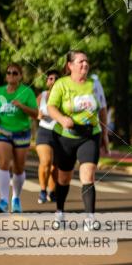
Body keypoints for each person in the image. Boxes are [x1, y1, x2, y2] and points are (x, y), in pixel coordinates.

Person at [46, 51, 109, 231]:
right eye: (80, 62)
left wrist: (104, 135)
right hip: (65, 137)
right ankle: (60, 212)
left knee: (88, 176)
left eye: (86, 62)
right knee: (64, 178)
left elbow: (103, 109)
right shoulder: (61, 84)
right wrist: (62, 119)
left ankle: (90, 218)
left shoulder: (95, 84)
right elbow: (51, 107)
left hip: (90, 135)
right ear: (70, 65)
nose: (85, 65)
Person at [0, 63, 38, 213]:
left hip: (22, 133)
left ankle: (16, 198)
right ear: (6, 75)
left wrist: (21, 106)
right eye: (9, 72)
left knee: (19, 168)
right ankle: (3, 200)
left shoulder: (27, 92)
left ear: (20, 76)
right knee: (4, 162)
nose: (11, 75)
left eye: (15, 73)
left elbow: (35, 114)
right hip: (3, 131)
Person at [36, 69, 60, 204]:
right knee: (45, 162)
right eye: (50, 78)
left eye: (56, 78)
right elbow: (35, 112)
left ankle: (52, 191)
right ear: (47, 82)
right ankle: (43, 190)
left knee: (55, 166)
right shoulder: (42, 96)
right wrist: (38, 115)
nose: (54, 80)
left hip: (59, 133)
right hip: (44, 132)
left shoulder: (64, 96)